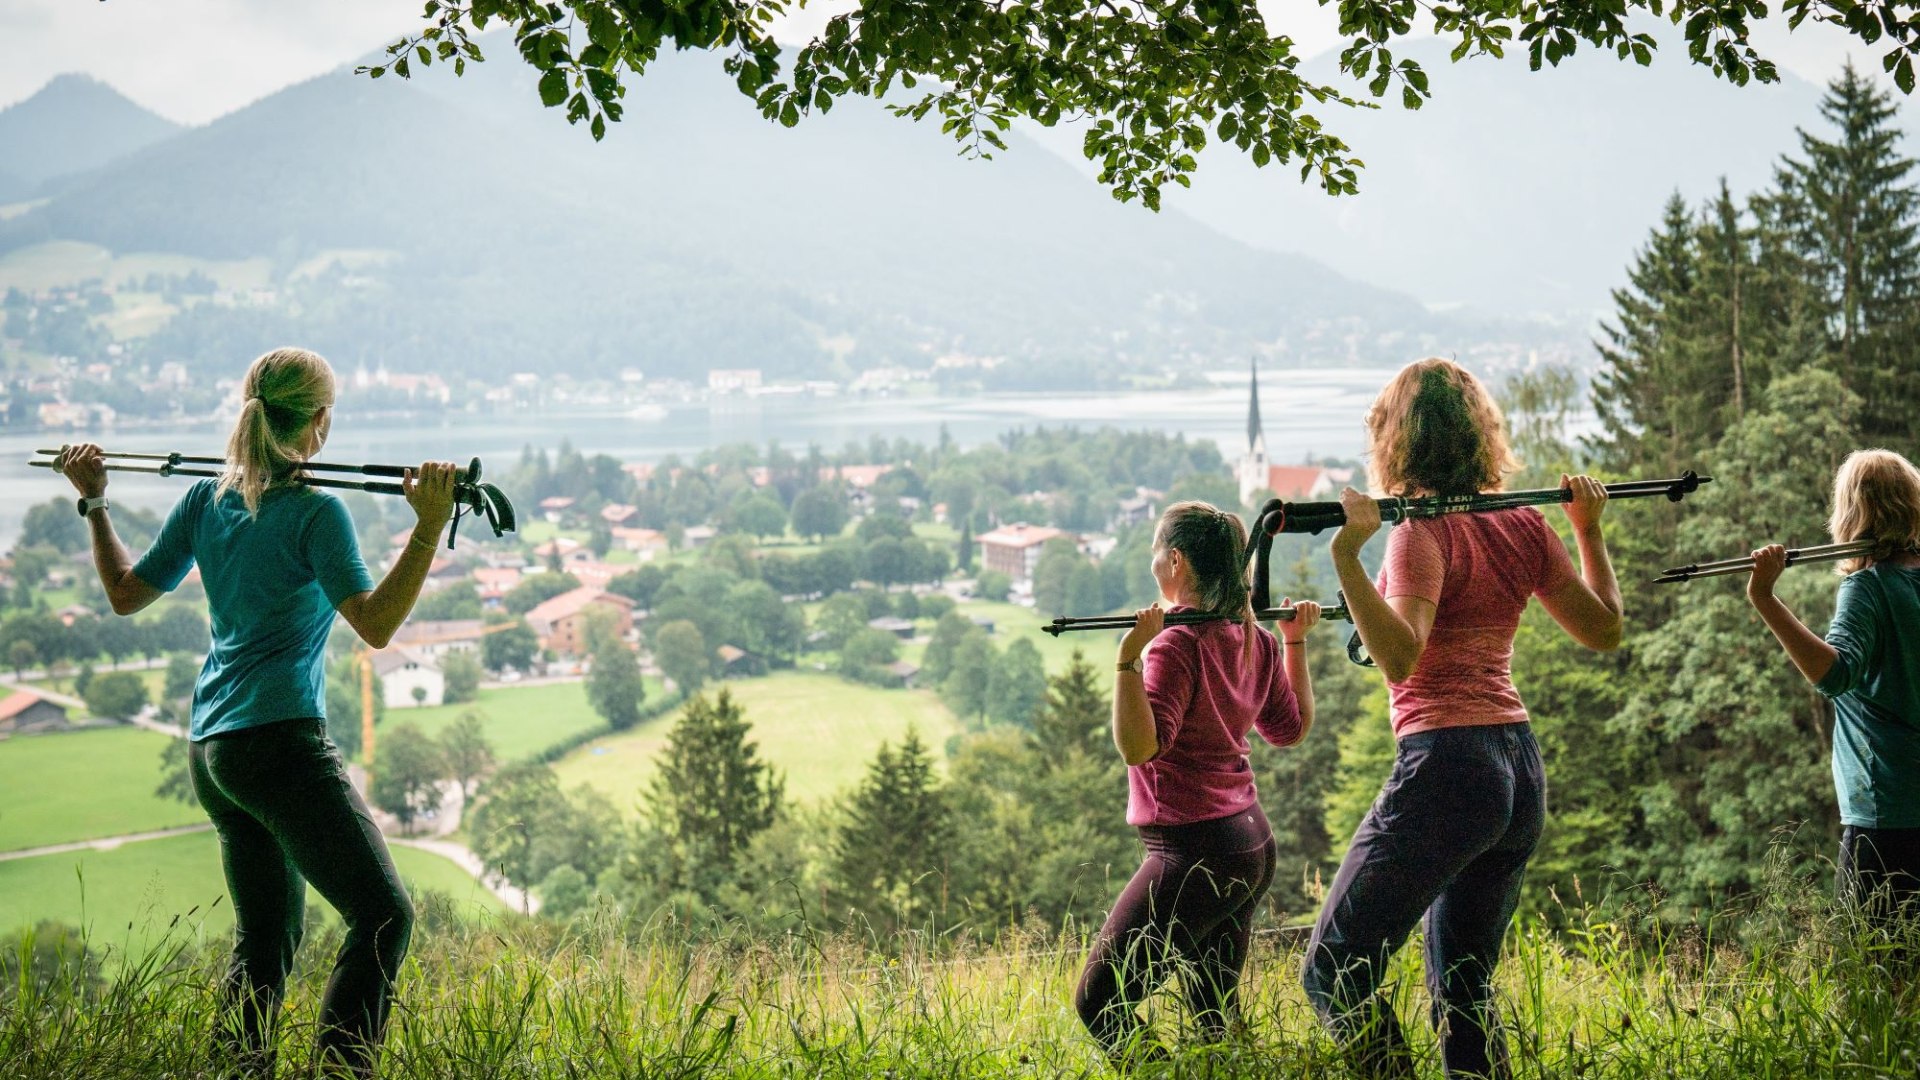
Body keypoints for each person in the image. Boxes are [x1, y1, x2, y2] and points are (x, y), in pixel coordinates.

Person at [56, 347, 461, 1077]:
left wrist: (94, 499)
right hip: (278, 745)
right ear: (321, 423)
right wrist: (428, 526)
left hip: (213, 752)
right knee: (384, 917)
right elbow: (375, 624)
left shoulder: (204, 501)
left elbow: (123, 593)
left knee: (267, 939)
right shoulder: (316, 512)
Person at [1301, 358, 1623, 1080]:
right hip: (1518, 770)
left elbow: (1400, 656)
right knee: (1465, 991)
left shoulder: (1418, 532)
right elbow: (1604, 629)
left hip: (1448, 764)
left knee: (1334, 973)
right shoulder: (1523, 524)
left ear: (1397, 439)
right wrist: (1589, 532)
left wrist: (1347, 556)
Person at [1073, 499, 1322, 1064]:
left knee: (1100, 1002)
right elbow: (1291, 729)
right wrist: (1296, 643)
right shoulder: (1252, 636)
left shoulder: (1175, 645)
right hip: (1251, 844)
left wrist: (1127, 661)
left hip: (1193, 850)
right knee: (1212, 1012)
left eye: (1157, 549)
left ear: (1175, 561)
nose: (1153, 558)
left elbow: (1139, 748)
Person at [1744, 449, 1920, 939]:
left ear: (1850, 512)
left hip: (1886, 814)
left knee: (1872, 979)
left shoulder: (1869, 587)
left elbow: (1835, 673)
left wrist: (1765, 598)